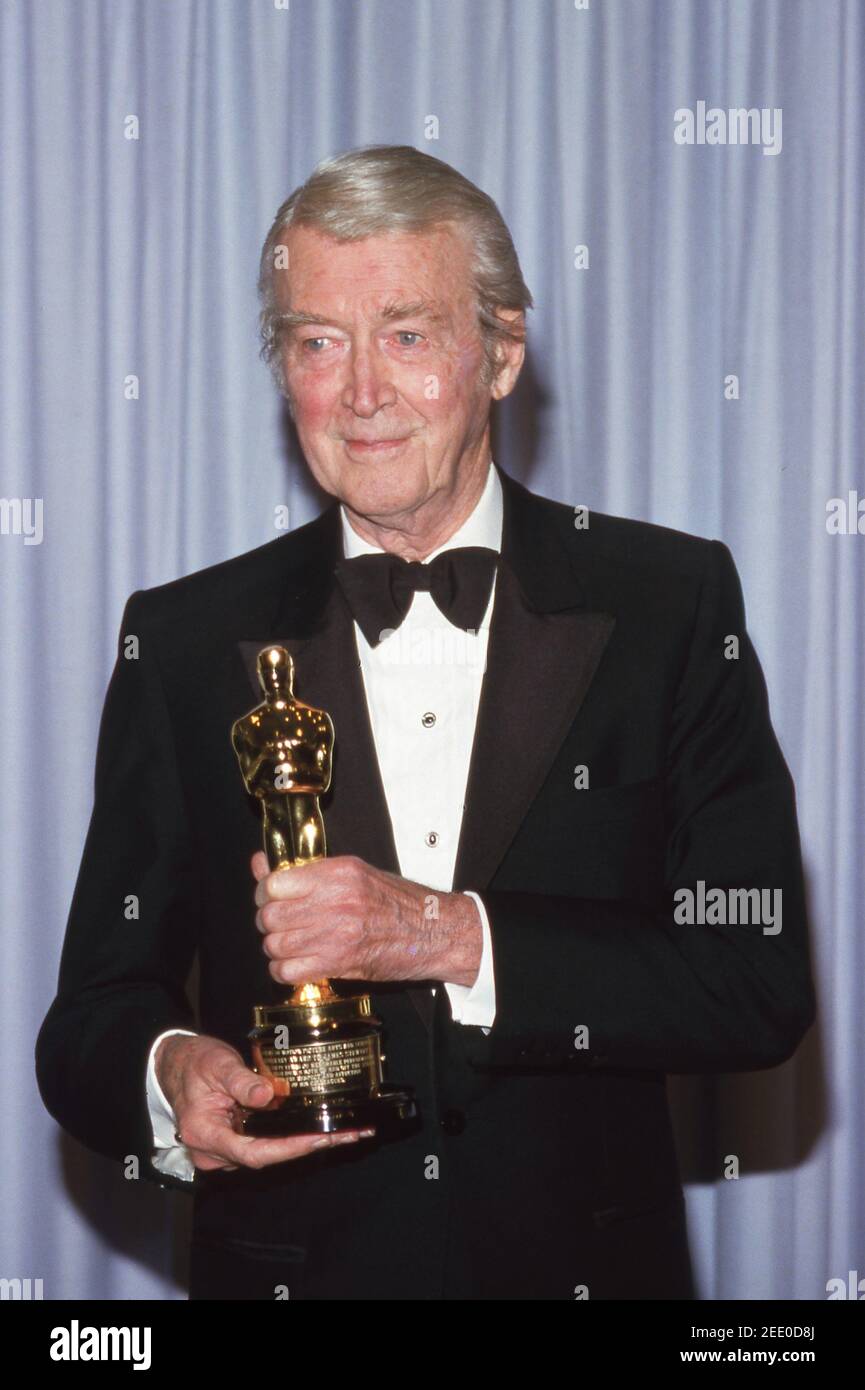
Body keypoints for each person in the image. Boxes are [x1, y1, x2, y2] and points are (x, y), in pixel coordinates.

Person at [35, 144, 816, 1300]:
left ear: (500, 353)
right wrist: (169, 1074)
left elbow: (753, 983)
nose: (359, 393)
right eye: (316, 343)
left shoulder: (668, 602)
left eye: (405, 335)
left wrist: (452, 937)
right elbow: (93, 1012)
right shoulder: (186, 639)